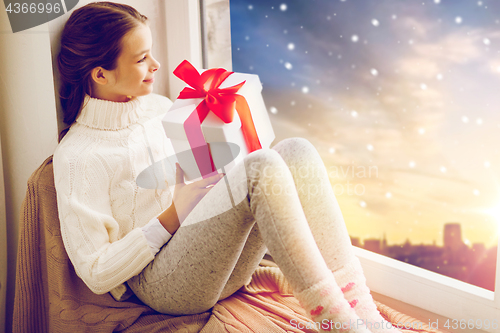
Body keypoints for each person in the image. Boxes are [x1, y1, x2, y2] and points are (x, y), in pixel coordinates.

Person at [53, 2, 400, 333]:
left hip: (212, 259)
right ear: (101, 74)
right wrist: (172, 216)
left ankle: (363, 312)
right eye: (142, 59)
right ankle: (337, 322)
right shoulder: (79, 157)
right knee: (260, 167)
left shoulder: (158, 108)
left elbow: (197, 172)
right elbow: (96, 272)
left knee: (296, 151)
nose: (157, 65)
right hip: (159, 284)